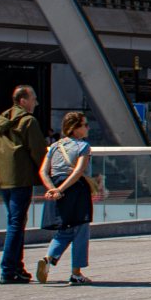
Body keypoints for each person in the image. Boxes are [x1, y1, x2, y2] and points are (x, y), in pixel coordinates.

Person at [0, 85, 46, 285]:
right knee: (16, 223)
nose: (36, 102)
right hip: (21, 179)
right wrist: (49, 178)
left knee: (14, 221)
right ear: (23, 100)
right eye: (33, 98)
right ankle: (8, 269)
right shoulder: (28, 122)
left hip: (3, 180)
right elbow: (39, 152)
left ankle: (17, 267)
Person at [36, 112, 100, 285]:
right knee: (80, 229)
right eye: (85, 125)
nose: (88, 128)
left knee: (64, 229)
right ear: (74, 128)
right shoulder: (83, 146)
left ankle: (49, 258)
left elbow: (43, 171)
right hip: (76, 190)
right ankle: (76, 273)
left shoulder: (55, 146)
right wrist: (62, 188)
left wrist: (53, 189)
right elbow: (78, 171)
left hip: (57, 187)